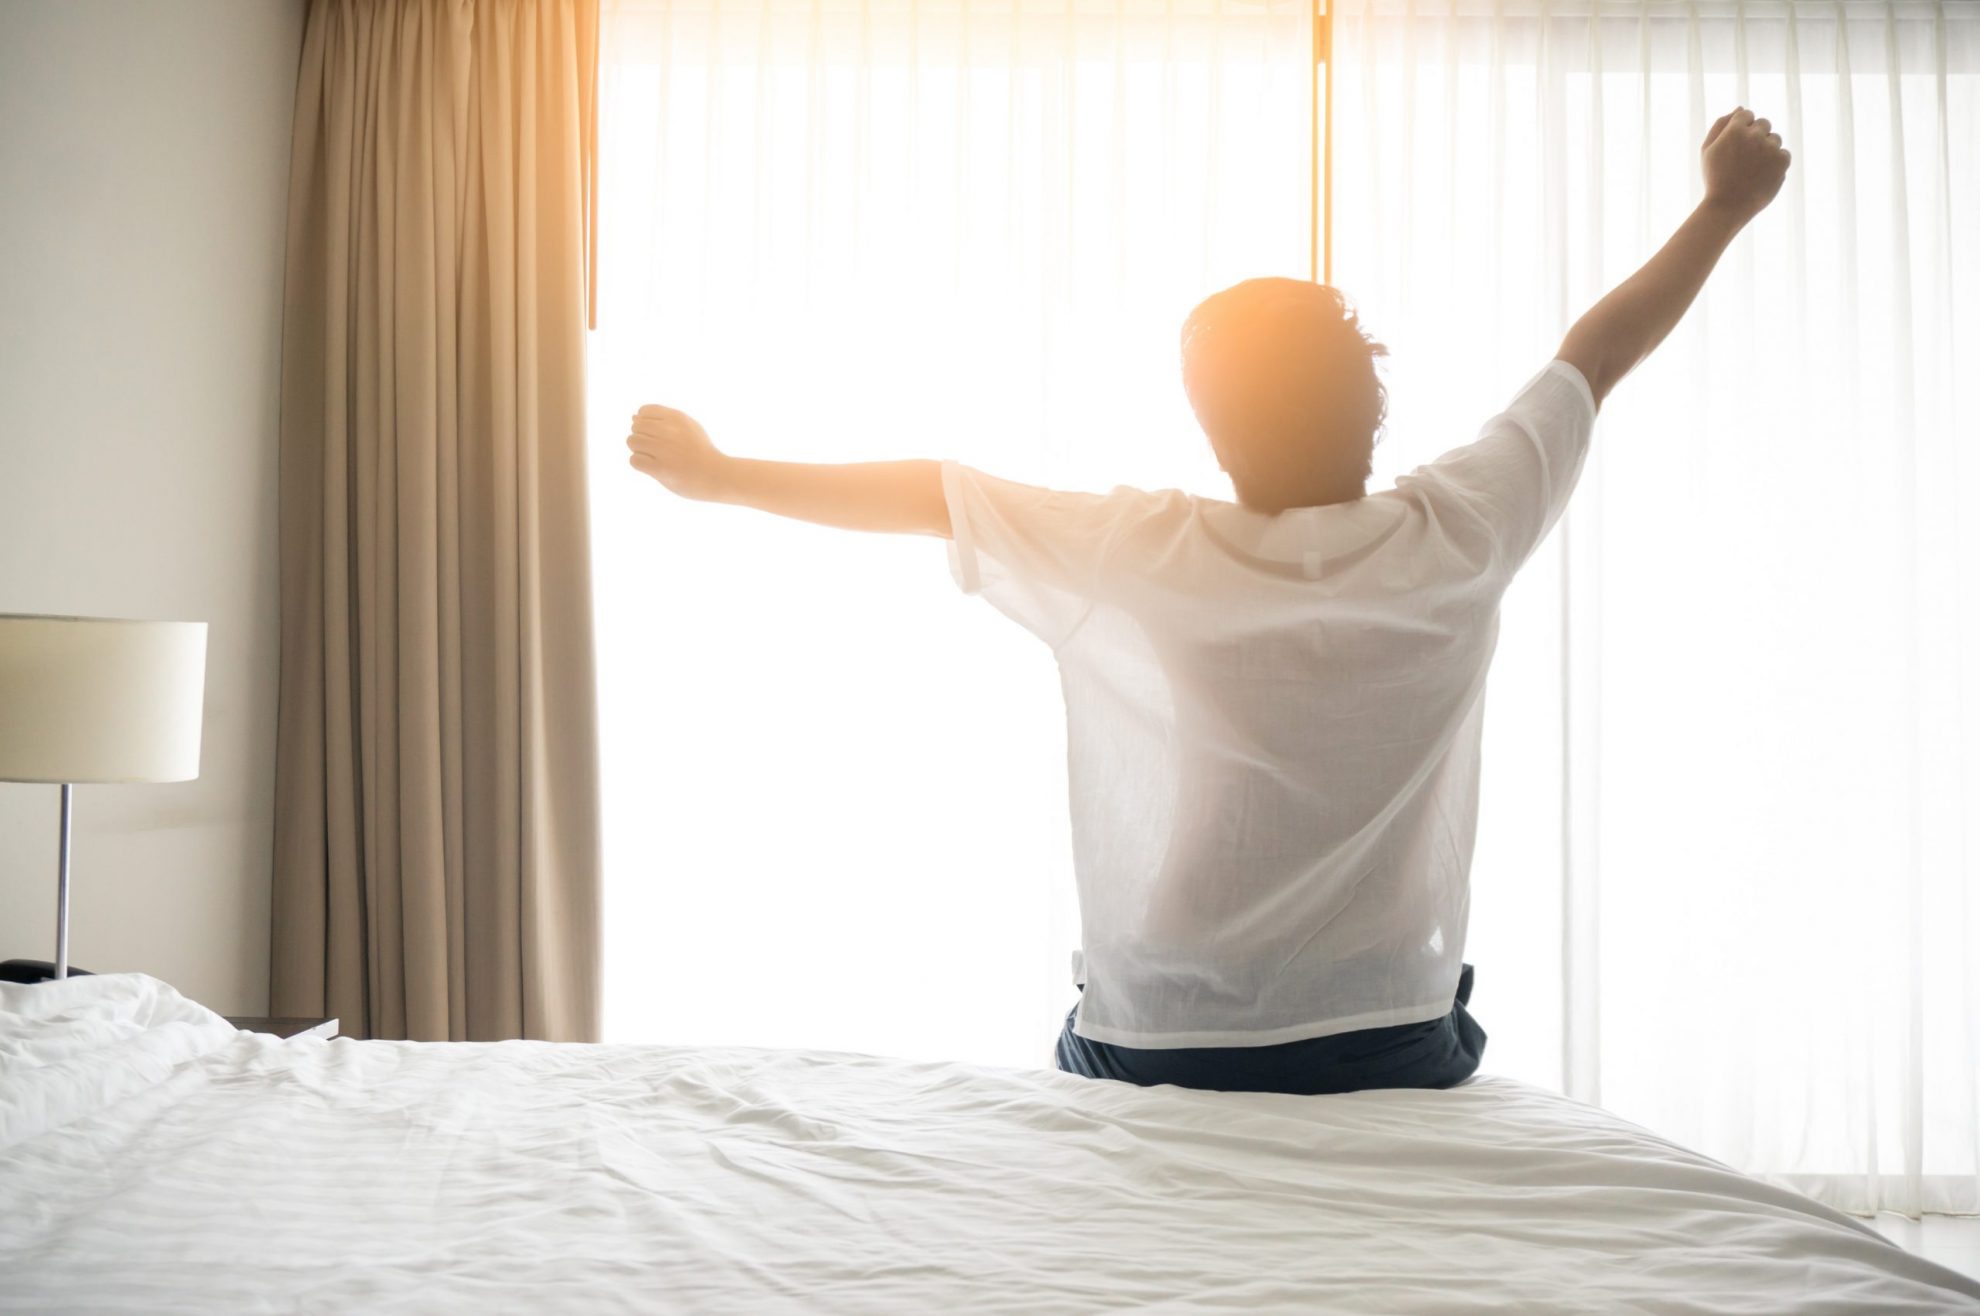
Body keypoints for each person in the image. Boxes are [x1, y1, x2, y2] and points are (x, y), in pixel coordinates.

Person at [626, 108, 1791, 1096]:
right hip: (1381, 1032)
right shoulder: (1460, 530)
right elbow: (1593, 354)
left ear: (1217, 433)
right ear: (1371, 408)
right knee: (1452, 1025)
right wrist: (1723, 208)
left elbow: (936, 493)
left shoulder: (1150, 546)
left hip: (1159, 1030)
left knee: (1083, 1050)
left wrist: (725, 475)